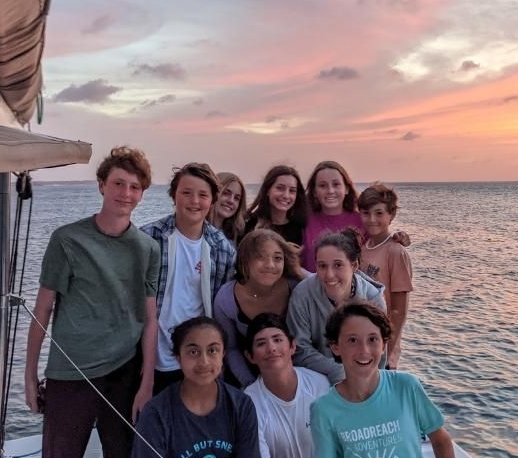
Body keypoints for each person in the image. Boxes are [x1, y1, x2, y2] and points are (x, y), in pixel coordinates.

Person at [24, 146, 160, 458]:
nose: (126, 193)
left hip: (125, 374)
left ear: (142, 193)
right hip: (70, 374)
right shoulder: (67, 239)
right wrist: (29, 376)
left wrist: (146, 382)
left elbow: (150, 319)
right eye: (118, 183)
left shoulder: (148, 249)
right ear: (101, 185)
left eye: (134, 187)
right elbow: (42, 310)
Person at [310, 303, 461, 458]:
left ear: (383, 344)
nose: (364, 351)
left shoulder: (406, 387)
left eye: (372, 339)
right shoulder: (324, 409)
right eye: (352, 340)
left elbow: (442, 441)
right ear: (336, 346)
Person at [131, 317, 261, 458]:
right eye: (193, 351)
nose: (204, 361)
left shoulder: (241, 405)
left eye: (212, 350)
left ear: (223, 354)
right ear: (178, 357)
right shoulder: (155, 414)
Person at [141, 163, 236, 394]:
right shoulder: (148, 238)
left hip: (196, 358)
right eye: (186, 193)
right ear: (174, 195)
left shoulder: (222, 249)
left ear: (212, 200)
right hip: (149, 354)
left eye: (203, 195)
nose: (194, 201)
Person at [244, 313, 330, 458]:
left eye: (277, 340)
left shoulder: (319, 385)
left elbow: (334, 447)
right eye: (261, 343)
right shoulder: (249, 401)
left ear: (292, 347)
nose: (272, 348)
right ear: (250, 356)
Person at [287, 229, 386, 384]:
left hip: (362, 376)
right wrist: (338, 371)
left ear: (354, 265)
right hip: (316, 376)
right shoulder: (302, 294)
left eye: (338, 265)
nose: (329, 274)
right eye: (322, 266)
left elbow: (379, 350)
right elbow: (299, 349)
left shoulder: (372, 298)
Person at [214, 229, 304, 387]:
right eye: (260, 257)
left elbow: (326, 281)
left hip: (299, 374)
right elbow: (231, 348)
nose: (270, 265)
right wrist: (252, 385)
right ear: (245, 260)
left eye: (277, 258)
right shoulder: (226, 299)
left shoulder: (297, 283)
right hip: (250, 376)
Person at [358, 183, 413, 369]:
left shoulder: (396, 252)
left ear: (392, 215)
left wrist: (387, 351)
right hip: (361, 346)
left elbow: (399, 310)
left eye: (379, 213)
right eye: (366, 213)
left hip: (382, 350)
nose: (372, 219)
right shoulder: (362, 248)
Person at [301, 161, 363, 272]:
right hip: (313, 287)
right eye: (322, 185)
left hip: (353, 288)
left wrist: (397, 237)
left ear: (347, 189)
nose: (330, 191)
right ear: (314, 191)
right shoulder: (304, 221)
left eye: (336, 184)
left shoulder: (362, 220)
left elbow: (380, 246)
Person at [244, 165, 308, 246]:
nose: (286, 195)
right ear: (267, 190)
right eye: (280, 188)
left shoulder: (300, 229)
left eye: (292, 190)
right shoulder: (249, 225)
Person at [210, 172, 247, 245]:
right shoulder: (198, 230)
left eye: (236, 198)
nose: (231, 201)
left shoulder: (236, 237)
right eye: (226, 193)